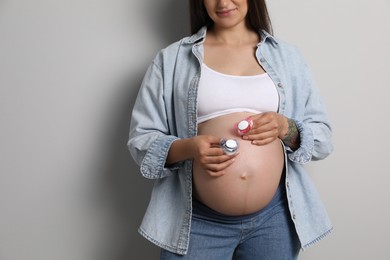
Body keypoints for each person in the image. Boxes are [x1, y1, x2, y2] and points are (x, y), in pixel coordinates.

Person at [127, 0, 333, 259]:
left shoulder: (288, 58)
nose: (223, 2)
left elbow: (323, 138)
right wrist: (189, 147)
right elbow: (141, 140)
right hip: (196, 222)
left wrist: (285, 127)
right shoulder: (172, 60)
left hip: (274, 220)